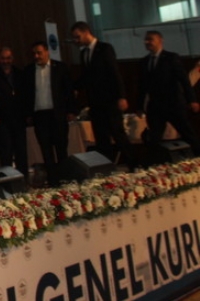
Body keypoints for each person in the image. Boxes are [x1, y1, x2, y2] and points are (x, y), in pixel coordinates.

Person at [71, 21, 134, 166]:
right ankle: (106, 168)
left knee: (118, 134)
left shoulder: (105, 48)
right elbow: (86, 76)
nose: (76, 40)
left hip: (110, 100)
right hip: (95, 102)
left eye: (77, 36)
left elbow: (114, 73)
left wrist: (121, 96)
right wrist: (74, 88)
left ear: (86, 32)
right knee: (101, 138)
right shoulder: (84, 53)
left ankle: (133, 164)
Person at [136, 31, 200, 160]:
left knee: (187, 133)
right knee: (154, 137)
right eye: (146, 40)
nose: (147, 42)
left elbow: (184, 80)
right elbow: (142, 86)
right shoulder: (145, 61)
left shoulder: (171, 58)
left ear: (160, 40)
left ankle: (198, 154)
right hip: (155, 106)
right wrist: (139, 106)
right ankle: (154, 163)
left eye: (150, 39)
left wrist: (192, 100)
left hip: (173, 104)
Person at [22, 41, 75, 186]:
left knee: (61, 148)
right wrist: (28, 114)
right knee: (46, 151)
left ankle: (64, 179)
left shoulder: (60, 68)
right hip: (40, 116)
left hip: (57, 114)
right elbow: (25, 95)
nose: (36, 56)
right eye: (34, 53)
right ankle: (53, 181)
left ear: (47, 52)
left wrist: (71, 110)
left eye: (39, 53)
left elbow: (69, 91)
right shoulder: (28, 71)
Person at [0, 47, 27, 178]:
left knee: (21, 152)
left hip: (19, 118)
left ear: (12, 59)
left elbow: (25, 96)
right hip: (2, 119)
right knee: (5, 153)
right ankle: (9, 182)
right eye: (3, 58)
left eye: (8, 58)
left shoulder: (19, 73)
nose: (5, 61)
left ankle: (23, 179)